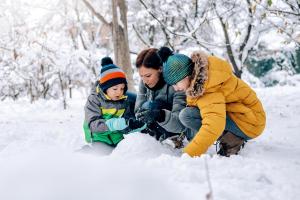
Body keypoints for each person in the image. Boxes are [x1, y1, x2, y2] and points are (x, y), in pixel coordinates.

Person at [162, 51, 266, 157]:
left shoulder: (208, 86)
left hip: (251, 122)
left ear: (186, 76)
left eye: (175, 83)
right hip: (242, 115)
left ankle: (232, 140)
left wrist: (189, 154)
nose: (175, 88)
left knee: (189, 115)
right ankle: (229, 136)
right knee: (187, 114)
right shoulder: (199, 80)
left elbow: (213, 125)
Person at [83, 57, 146, 150]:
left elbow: (124, 121)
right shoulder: (94, 99)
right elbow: (92, 125)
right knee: (101, 154)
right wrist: (114, 124)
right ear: (105, 88)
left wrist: (130, 124)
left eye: (122, 88)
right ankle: (88, 151)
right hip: (99, 136)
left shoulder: (123, 100)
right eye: (115, 89)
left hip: (116, 136)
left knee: (125, 153)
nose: (119, 92)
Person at [135, 47, 188, 141]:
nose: (144, 80)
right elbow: (138, 109)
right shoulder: (144, 80)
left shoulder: (177, 83)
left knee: (150, 106)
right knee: (126, 97)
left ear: (160, 69)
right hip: (152, 115)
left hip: (171, 123)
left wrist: (159, 115)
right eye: (141, 76)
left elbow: (180, 123)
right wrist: (138, 117)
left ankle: (168, 139)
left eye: (148, 76)